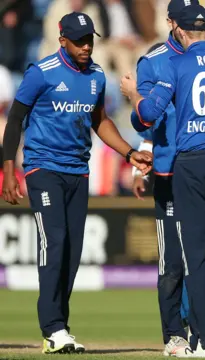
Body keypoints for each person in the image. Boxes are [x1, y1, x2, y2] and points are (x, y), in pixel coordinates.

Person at [1, 11, 152, 354]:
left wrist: (129, 154)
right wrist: (10, 170)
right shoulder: (41, 73)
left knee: (71, 251)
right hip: (43, 169)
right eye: (79, 41)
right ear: (62, 40)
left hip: (77, 171)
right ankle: (53, 328)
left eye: (90, 40)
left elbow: (100, 122)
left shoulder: (97, 76)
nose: (86, 47)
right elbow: (15, 121)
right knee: (55, 242)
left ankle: (60, 329)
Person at [120, 4, 205, 358]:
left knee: (202, 255)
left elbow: (145, 114)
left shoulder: (178, 65)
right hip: (172, 170)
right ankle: (176, 333)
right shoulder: (155, 60)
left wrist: (133, 97)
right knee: (174, 263)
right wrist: (140, 156)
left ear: (179, 27)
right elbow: (152, 128)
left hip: (191, 165)